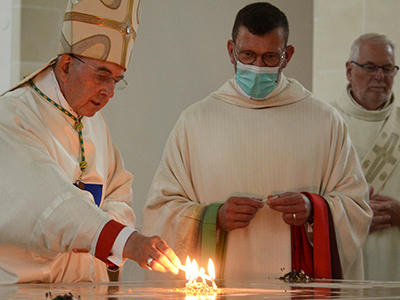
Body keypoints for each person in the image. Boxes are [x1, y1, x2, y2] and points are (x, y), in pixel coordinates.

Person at [141, 2, 372, 282]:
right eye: (248, 55)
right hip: (221, 284)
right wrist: (215, 217)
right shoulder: (196, 121)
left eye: (270, 57)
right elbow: (161, 209)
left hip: (300, 285)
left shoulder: (324, 120)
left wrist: (314, 210)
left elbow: (356, 205)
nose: (257, 67)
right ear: (231, 51)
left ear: (287, 56)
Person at [0, 0, 181, 284]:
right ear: (66, 66)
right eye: (102, 75)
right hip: (28, 290)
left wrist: (108, 231)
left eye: (117, 80)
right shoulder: (12, 117)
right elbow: (48, 208)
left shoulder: (93, 121)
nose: (109, 92)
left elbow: (119, 192)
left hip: (88, 287)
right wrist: (124, 241)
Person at [330, 33, 400, 281]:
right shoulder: (325, 123)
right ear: (349, 70)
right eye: (370, 67)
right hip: (342, 261)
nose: (380, 77)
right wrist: (354, 217)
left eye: (388, 69)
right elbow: (307, 200)